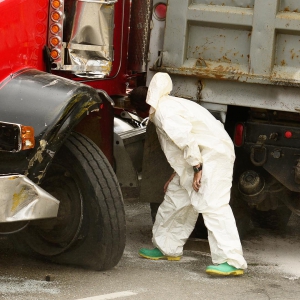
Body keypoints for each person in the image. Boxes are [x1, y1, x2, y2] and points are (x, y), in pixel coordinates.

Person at [138, 72, 247, 276]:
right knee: (175, 197)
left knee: (213, 204)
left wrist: (197, 168)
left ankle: (231, 260)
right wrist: (178, 171)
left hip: (212, 155)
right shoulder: (165, 106)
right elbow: (180, 145)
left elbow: (186, 138)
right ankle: (166, 247)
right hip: (200, 155)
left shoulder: (163, 113)